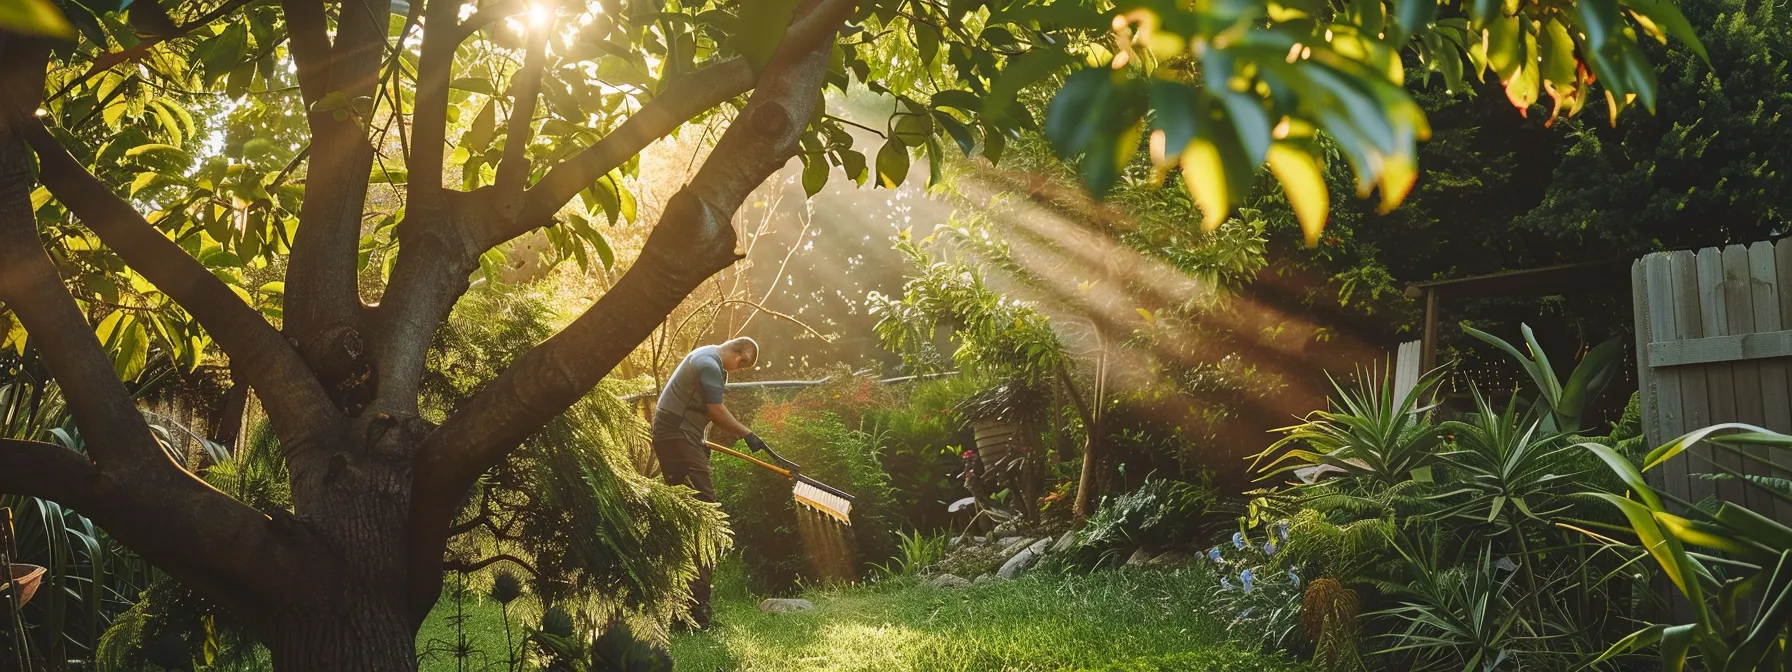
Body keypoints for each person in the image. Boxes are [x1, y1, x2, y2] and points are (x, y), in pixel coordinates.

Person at [651, 336, 768, 628]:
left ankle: (682, 607)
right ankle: (694, 612)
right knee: (706, 517)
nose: (738, 370)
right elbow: (716, 412)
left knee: (688, 519)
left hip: (677, 437)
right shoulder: (708, 362)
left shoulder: (705, 358)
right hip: (677, 438)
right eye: (742, 364)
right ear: (738, 354)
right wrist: (747, 434)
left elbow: (694, 409)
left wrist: (698, 441)